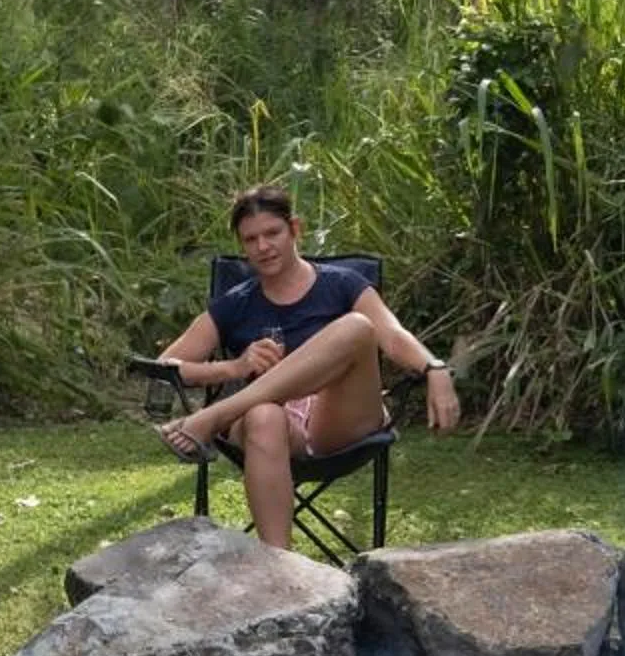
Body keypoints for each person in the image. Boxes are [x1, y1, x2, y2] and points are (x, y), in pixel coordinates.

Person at [150, 183, 459, 551]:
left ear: (295, 229)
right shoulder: (237, 304)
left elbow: (391, 336)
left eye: (273, 233)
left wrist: (435, 369)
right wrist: (235, 367)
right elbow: (166, 366)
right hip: (267, 425)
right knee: (264, 415)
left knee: (357, 327)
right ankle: (281, 572)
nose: (263, 247)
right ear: (241, 246)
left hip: (338, 417)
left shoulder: (342, 284)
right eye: (250, 240)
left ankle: (217, 415)